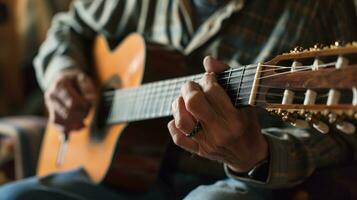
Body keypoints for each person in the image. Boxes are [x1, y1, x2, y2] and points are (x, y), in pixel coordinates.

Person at [1, 0, 357, 199]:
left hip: (227, 185)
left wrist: (256, 156)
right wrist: (62, 73)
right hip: (117, 177)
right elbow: (69, 26)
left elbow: (344, 136)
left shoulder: (316, 8)